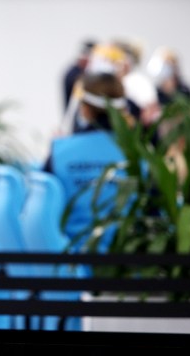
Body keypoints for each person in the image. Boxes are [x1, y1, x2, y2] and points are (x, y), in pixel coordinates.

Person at [45, 72, 132, 253]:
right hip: (128, 267)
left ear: (84, 108)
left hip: (71, 265)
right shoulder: (140, 154)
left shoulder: (59, 152)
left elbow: (40, 209)